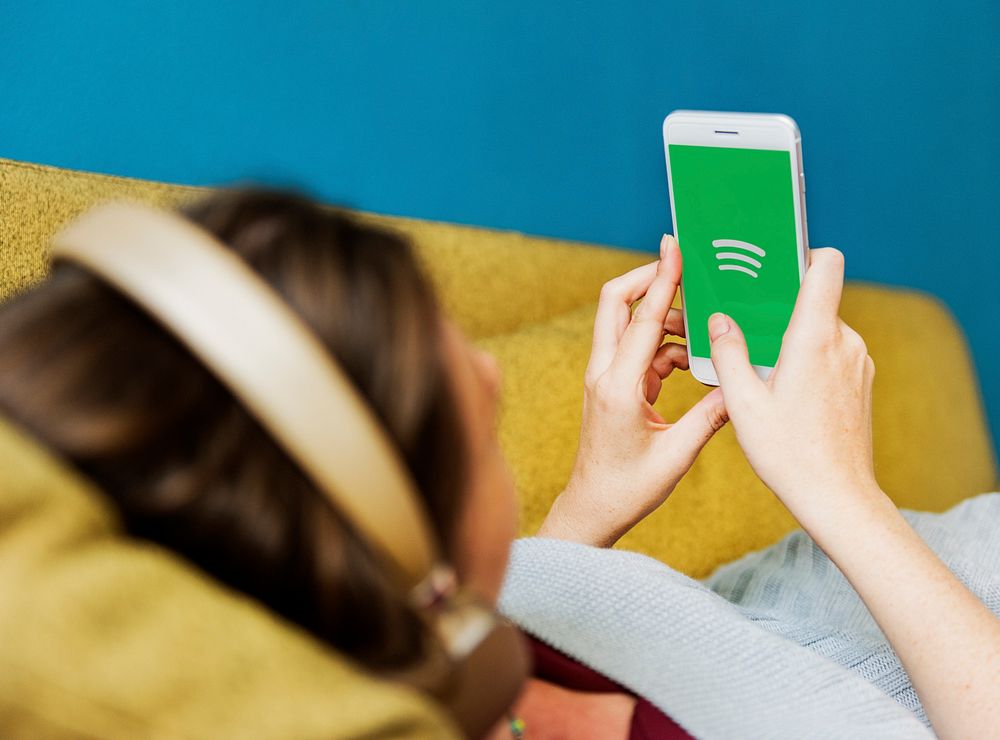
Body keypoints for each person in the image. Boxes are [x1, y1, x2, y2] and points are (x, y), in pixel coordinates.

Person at [0, 189, 997, 738]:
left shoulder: (453, 627)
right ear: (378, 531)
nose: (489, 368)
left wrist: (582, 512)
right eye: (467, 416)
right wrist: (845, 499)